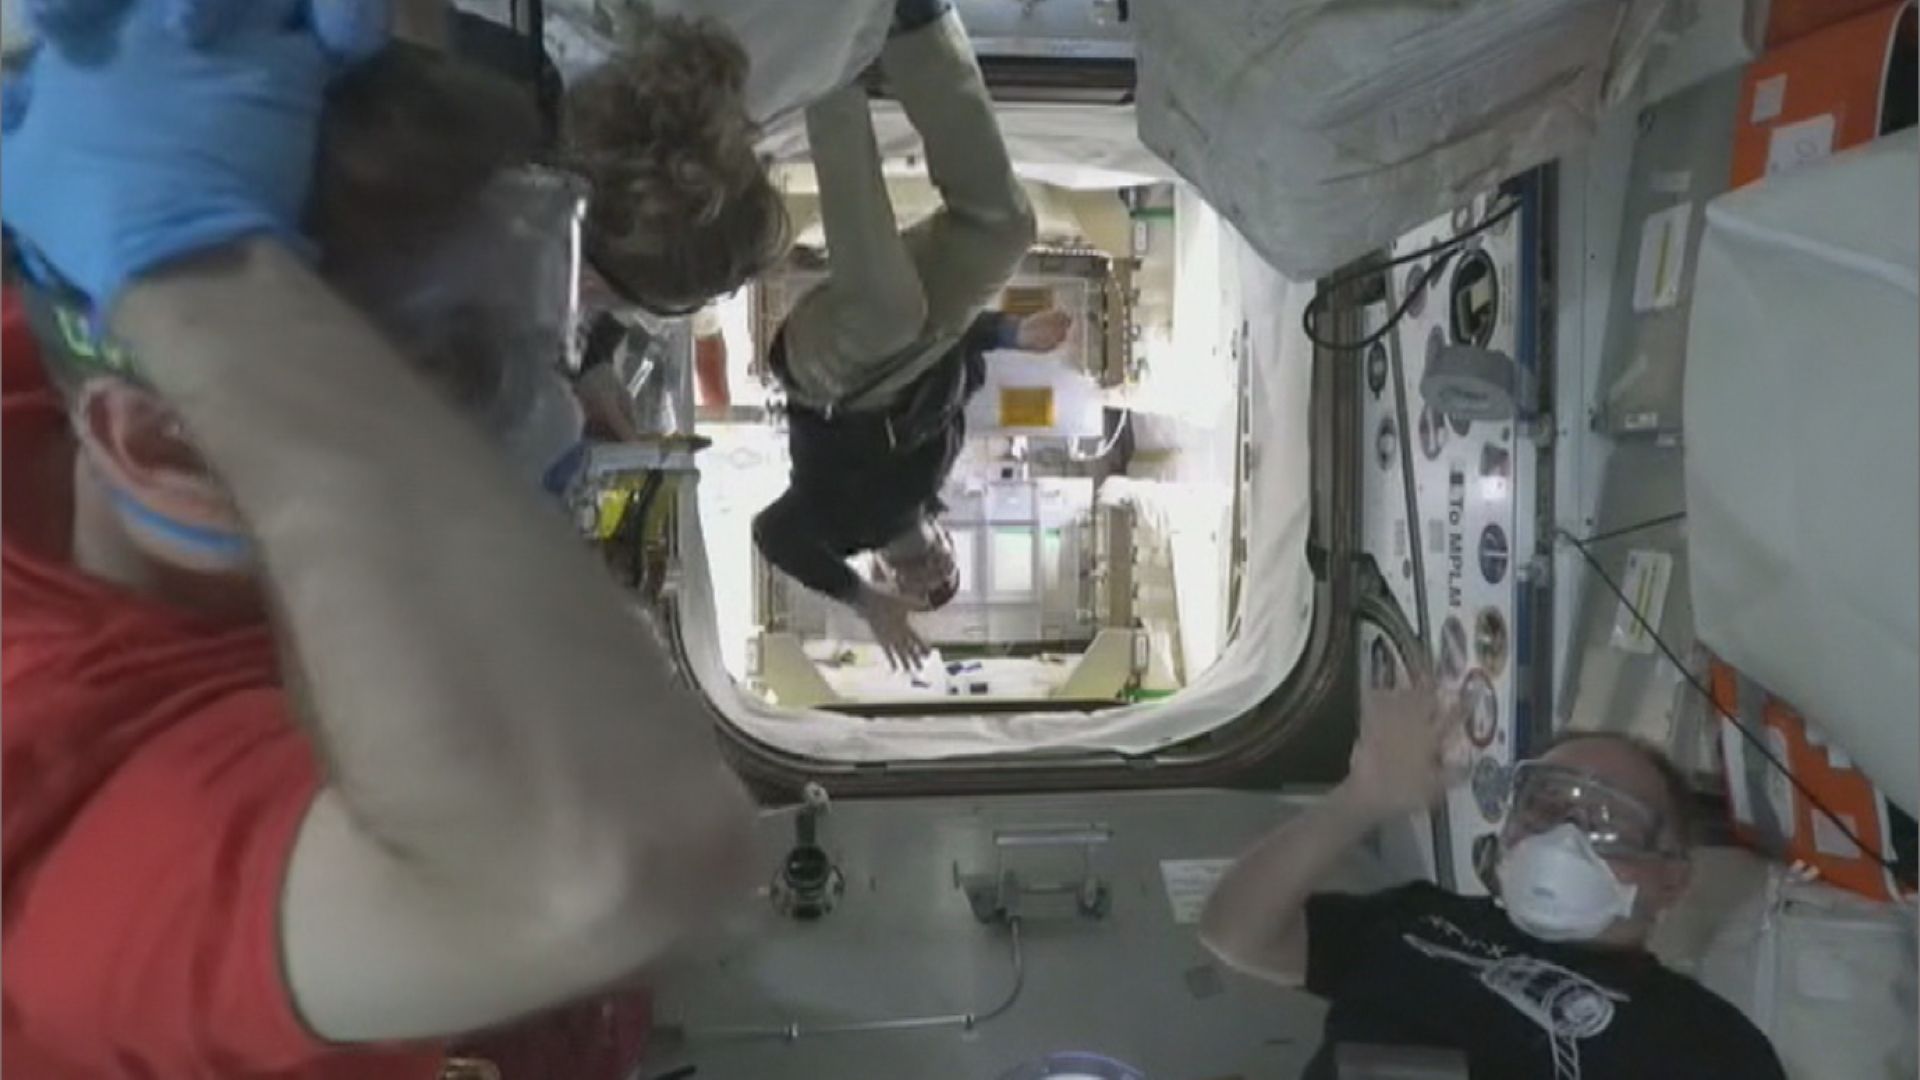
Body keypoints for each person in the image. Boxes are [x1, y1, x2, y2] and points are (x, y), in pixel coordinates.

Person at [1, 4, 755, 1077]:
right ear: (161, 444)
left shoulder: (58, 378)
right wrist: (199, 268)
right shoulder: (76, 808)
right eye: (460, 368)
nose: (547, 412)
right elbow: (609, 861)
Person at [1198, 690, 1787, 1080]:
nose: (1564, 837)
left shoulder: (1709, 1042)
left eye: (1607, 823)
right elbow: (1235, 933)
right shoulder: (1417, 920)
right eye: (1544, 805)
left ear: (1671, 879)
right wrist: (1360, 799)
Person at [750, 1, 1069, 670]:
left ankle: (828, 54)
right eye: (946, 574)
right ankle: (920, 27)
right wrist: (1015, 332)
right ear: (950, 542)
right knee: (1005, 232)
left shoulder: (839, 528)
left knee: (890, 313)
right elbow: (960, 349)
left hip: (830, 374)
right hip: (918, 344)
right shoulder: (940, 459)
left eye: (919, 591)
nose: (932, 575)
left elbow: (771, 534)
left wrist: (860, 600)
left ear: (886, 575)